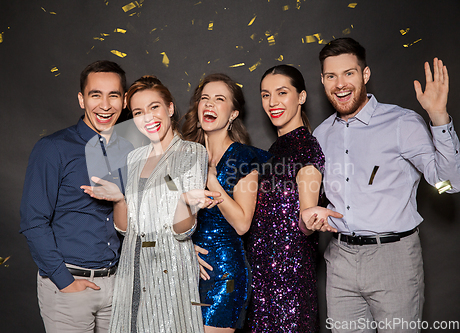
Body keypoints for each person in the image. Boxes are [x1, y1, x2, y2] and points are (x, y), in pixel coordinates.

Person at [310, 37, 460, 332]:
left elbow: (447, 184)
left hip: (393, 259)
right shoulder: (321, 134)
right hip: (340, 260)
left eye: (349, 73)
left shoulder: (402, 123)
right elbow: (326, 193)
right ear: (323, 81)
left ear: (365, 75)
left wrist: (438, 117)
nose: (340, 84)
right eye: (331, 76)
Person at [82, 75, 221, 333]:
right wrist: (120, 199)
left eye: (154, 107)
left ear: (169, 108)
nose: (148, 117)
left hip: (169, 271)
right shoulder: (134, 157)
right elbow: (125, 229)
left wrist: (182, 201)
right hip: (131, 270)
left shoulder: (192, 153)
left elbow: (183, 230)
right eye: (138, 112)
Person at [19, 60, 134, 333]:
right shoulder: (53, 148)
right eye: (96, 95)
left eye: (113, 95)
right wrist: (64, 282)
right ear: (82, 100)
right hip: (69, 285)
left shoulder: (130, 150)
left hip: (117, 285)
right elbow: (33, 221)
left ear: (125, 100)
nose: (105, 105)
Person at [244, 65, 338, 333]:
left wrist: (311, 220)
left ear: (302, 97)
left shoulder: (306, 148)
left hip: (289, 283)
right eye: (265, 95)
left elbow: (306, 218)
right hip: (261, 279)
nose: (272, 102)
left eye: (282, 93)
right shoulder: (273, 151)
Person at [182, 73, 270, 332]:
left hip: (224, 276)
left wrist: (212, 179)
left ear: (232, 114)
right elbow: (165, 212)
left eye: (219, 99)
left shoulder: (243, 157)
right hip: (185, 270)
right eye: (204, 98)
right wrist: (183, 250)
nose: (209, 104)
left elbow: (242, 224)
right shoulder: (183, 153)